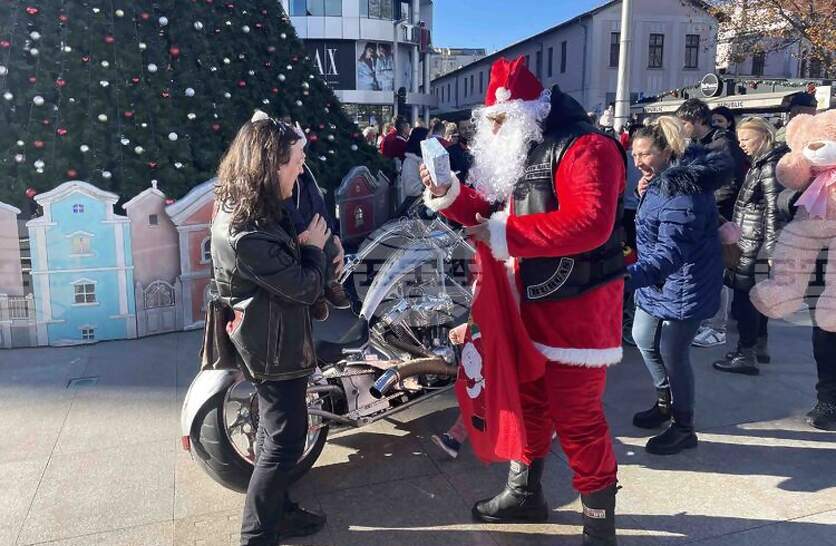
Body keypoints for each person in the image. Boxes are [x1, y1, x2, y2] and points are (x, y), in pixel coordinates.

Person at [423, 56, 625, 545]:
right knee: (526, 404)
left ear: (528, 113)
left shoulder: (587, 147)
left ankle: (599, 525)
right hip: (522, 308)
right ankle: (524, 493)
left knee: (578, 420)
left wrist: (502, 233)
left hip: (573, 313)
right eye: (488, 120)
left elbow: (591, 224)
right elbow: (491, 212)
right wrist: (448, 192)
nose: (492, 129)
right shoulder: (524, 151)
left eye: (500, 119)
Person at [212, 114, 330, 546]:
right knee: (285, 441)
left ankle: (279, 512)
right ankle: (257, 535)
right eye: (296, 162)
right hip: (273, 346)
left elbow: (278, 270)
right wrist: (314, 251)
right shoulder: (247, 231)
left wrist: (300, 246)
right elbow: (303, 286)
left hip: (271, 336)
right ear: (270, 164)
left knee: (274, 433)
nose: (300, 171)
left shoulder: (251, 209)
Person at [627, 117, 729, 455]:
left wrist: (624, 277)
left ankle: (684, 427)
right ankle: (664, 402)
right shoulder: (659, 182)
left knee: (673, 352)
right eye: (634, 154)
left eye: (645, 154)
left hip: (686, 281)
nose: (638, 162)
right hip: (658, 279)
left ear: (667, 152)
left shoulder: (683, 190)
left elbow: (671, 250)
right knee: (643, 337)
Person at [713, 117, 787, 375]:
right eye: (740, 139)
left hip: (755, 243)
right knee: (757, 298)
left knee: (746, 299)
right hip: (752, 238)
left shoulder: (768, 165)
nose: (742, 144)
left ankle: (746, 353)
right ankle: (756, 347)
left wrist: (773, 248)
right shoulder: (763, 162)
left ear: (763, 136)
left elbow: (774, 209)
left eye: (746, 139)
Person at [676, 98, 749, 349]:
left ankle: (717, 327)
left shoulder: (722, 143)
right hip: (707, 215)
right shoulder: (703, 143)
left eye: (683, 123)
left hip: (717, 217)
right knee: (705, 271)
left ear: (697, 120)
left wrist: (707, 209)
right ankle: (708, 320)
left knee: (716, 271)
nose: (681, 128)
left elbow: (728, 184)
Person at [287, 162, 351, 321]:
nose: (302, 157)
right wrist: (299, 228)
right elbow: (286, 203)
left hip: (319, 223)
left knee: (331, 252)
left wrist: (334, 233)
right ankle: (317, 295)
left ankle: (331, 284)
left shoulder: (303, 170)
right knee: (311, 260)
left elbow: (319, 201)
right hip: (302, 231)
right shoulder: (281, 175)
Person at [397, 126, 430, 214]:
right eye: (428, 138)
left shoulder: (424, 159)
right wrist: (430, 188)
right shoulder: (410, 162)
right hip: (416, 210)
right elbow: (412, 189)